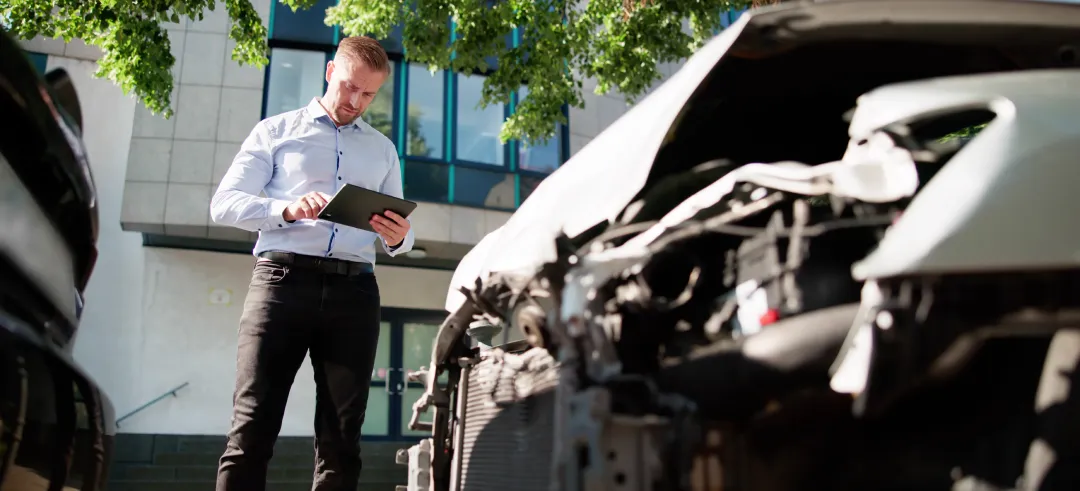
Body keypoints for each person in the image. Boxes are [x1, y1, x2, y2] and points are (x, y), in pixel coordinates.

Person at [208, 35, 414, 491]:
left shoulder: (383, 150)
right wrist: (286, 208)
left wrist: (400, 237)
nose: (356, 102)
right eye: (349, 88)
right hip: (281, 283)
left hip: (355, 293)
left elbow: (401, 227)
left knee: (342, 439)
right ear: (329, 73)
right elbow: (223, 205)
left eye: (368, 94)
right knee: (252, 425)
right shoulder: (275, 131)